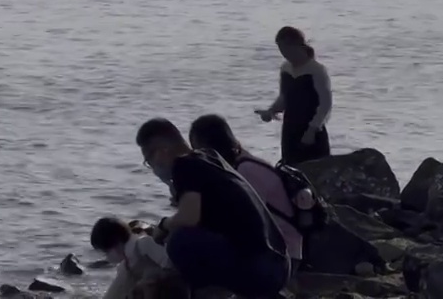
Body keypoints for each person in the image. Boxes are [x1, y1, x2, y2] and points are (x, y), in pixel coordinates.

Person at [136, 118, 289, 298]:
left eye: (149, 160)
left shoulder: (184, 165)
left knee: (180, 242)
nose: (153, 167)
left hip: (262, 270)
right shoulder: (209, 158)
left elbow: (189, 217)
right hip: (279, 266)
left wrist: (163, 226)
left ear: (163, 151)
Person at [188, 114, 305, 266]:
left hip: (282, 256)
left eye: (198, 151)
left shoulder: (246, 171)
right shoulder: (244, 163)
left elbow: (247, 222)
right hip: (279, 249)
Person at [256, 27, 332, 165]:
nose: (284, 54)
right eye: (280, 49)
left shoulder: (316, 70)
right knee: (291, 170)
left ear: (297, 46)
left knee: (315, 171)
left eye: (286, 49)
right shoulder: (285, 68)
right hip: (290, 127)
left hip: (312, 129)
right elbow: (284, 98)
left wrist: (312, 129)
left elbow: (325, 104)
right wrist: (271, 111)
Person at [89, 217, 173, 299]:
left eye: (106, 252)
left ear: (117, 244)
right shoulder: (125, 264)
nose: (107, 257)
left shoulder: (143, 245)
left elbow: (170, 264)